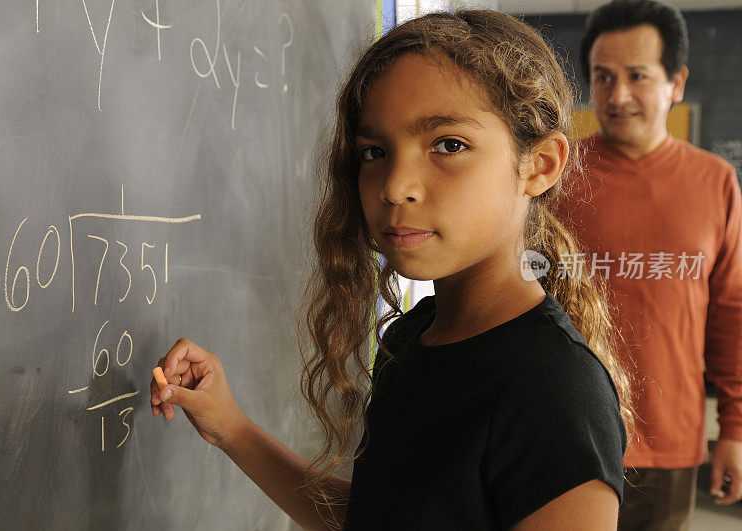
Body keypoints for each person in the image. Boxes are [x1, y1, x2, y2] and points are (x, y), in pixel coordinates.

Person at [150, 10, 631, 530]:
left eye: (449, 145)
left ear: (539, 165)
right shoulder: (413, 337)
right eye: (374, 151)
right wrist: (231, 427)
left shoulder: (554, 388)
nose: (395, 185)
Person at [556, 0, 742, 527]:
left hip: (667, 441)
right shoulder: (555, 175)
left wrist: (735, 429)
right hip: (565, 432)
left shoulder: (715, 182)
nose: (618, 96)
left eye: (637, 76)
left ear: (676, 82)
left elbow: (732, 314)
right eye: (603, 77)